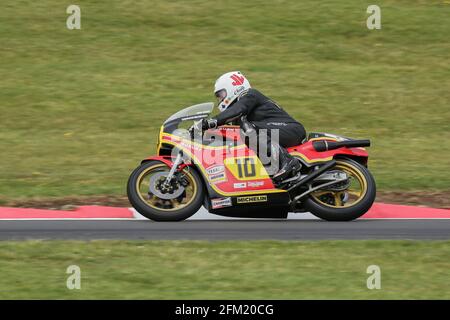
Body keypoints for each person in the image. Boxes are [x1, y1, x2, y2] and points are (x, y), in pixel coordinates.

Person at [200, 71, 306, 185]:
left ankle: (288, 161)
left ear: (233, 87)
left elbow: (237, 110)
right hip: (278, 132)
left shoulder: (250, 95)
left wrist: (209, 122)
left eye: (221, 95)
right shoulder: (238, 117)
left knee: (248, 129)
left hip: (292, 129)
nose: (220, 100)